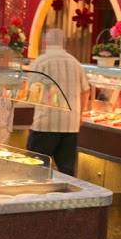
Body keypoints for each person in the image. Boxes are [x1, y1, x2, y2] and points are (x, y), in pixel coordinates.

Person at [26, 28, 90, 176]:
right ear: (63, 43)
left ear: (45, 42)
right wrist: (80, 115)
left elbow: (31, 91)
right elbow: (86, 90)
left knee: (36, 170)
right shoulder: (75, 62)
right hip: (71, 126)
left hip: (45, 124)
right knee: (66, 172)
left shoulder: (41, 61)